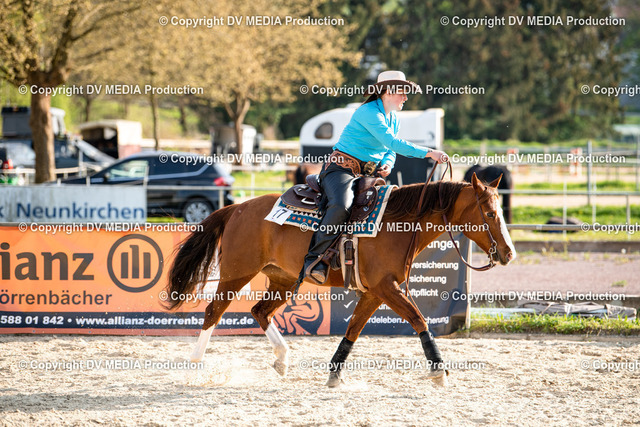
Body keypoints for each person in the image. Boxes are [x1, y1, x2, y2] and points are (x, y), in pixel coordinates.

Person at [299, 70, 449, 285]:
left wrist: (388, 163)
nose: (405, 97)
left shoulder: (393, 118)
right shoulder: (368, 112)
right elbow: (393, 142)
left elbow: (390, 149)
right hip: (340, 169)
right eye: (402, 92)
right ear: (388, 92)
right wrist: (430, 152)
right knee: (341, 205)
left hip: (367, 174)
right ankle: (315, 260)